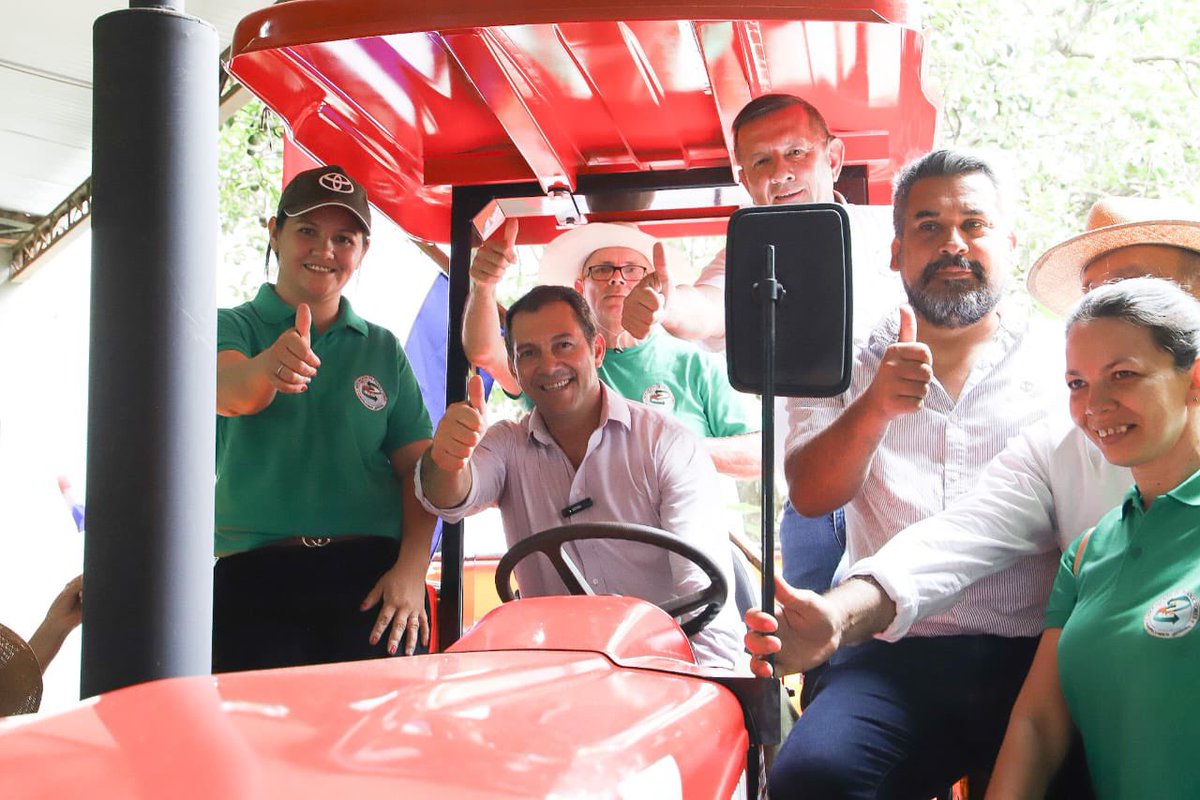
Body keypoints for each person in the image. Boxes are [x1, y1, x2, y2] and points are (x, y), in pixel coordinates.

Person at [744, 197, 1200, 674]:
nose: (1114, 314)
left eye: (1140, 290)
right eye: (1093, 295)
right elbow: (959, 539)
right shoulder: (1058, 448)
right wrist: (839, 614)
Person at [766, 148, 1065, 798]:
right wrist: (874, 408)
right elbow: (812, 496)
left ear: (1009, 245)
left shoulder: (1063, 363)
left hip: (1036, 649)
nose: (954, 244)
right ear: (896, 251)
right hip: (890, 653)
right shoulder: (840, 361)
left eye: (974, 225)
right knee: (810, 780)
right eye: (929, 227)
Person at [417, 285, 744, 668]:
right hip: (559, 674)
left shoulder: (666, 444)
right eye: (528, 353)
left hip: (663, 669)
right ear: (516, 370)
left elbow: (703, 597)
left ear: (597, 351)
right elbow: (450, 497)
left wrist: (705, 683)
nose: (549, 365)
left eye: (564, 345)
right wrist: (448, 459)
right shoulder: (507, 445)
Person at [214, 165, 437, 672]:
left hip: (373, 579)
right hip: (255, 576)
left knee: (385, 722)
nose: (325, 250)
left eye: (344, 238)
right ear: (275, 232)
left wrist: (412, 568)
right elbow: (232, 394)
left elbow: (419, 471)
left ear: (363, 251)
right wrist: (269, 368)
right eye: (307, 231)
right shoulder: (231, 326)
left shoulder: (381, 348)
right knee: (257, 724)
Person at [987, 277, 1200, 799]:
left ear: (1195, 380)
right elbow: (1038, 725)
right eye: (1077, 383)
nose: (1094, 405)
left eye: (1123, 374)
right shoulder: (1086, 554)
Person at [462, 219, 760, 479]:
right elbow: (486, 353)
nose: (617, 278)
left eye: (632, 270)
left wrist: (674, 448)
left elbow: (760, 453)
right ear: (580, 288)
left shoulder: (697, 363)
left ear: (655, 283)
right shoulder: (557, 364)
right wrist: (484, 286)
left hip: (682, 524)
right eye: (602, 270)